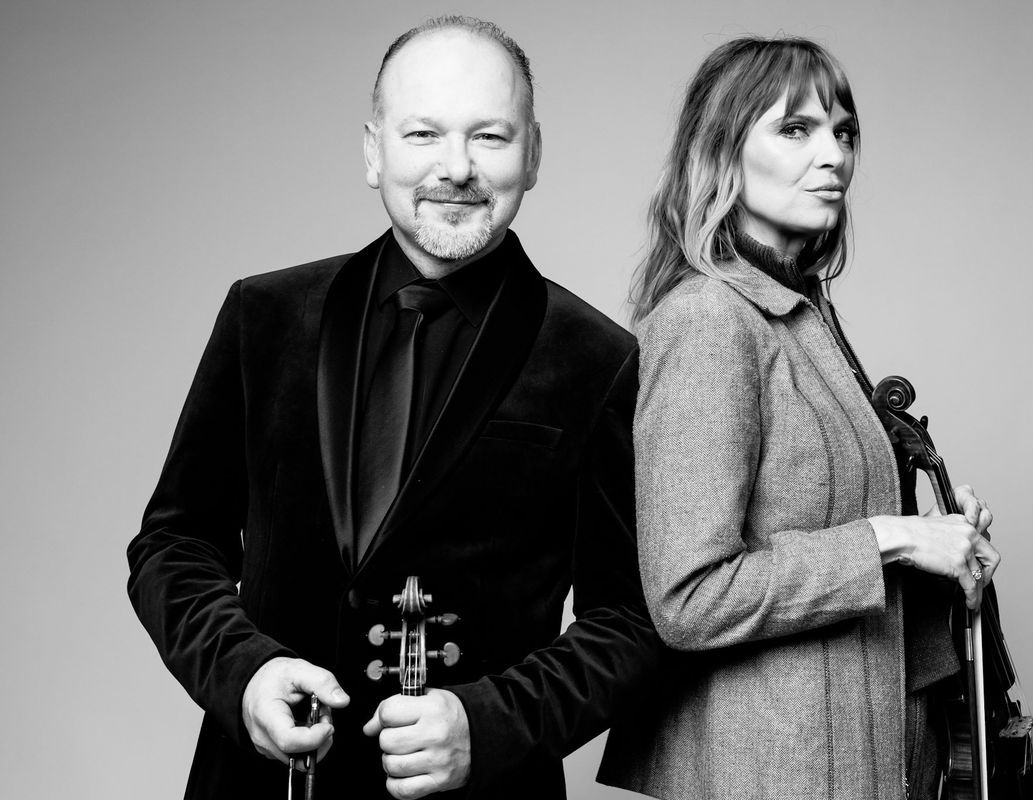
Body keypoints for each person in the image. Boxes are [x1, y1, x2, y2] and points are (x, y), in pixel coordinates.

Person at [127, 16, 659, 800]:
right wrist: (244, 674)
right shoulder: (263, 316)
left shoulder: (599, 359)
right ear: (374, 152)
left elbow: (632, 619)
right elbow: (173, 543)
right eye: (423, 134)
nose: (456, 167)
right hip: (257, 784)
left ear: (534, 154)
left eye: (490, 136)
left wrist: (492, 723)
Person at [598, 36, 1000, 800]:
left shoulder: (802, 315)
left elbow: (835, 547)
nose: (834, 155)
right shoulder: (709, 320)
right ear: (723, 150)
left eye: (843, 132)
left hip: (857, 753)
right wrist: (894, 537)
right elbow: (689, 598)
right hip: (768, 764)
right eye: (795, 129)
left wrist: (939, 555)